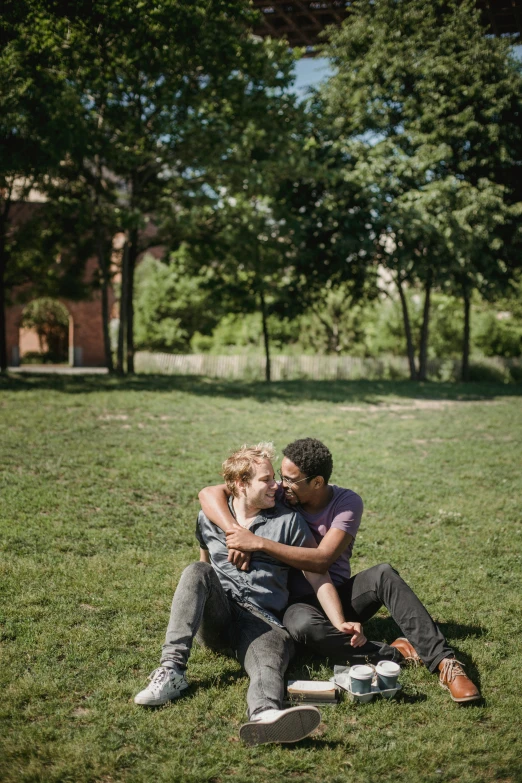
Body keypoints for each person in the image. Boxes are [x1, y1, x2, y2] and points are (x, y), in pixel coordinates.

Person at [198, 437, 481, 704]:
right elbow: (209, 492)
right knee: (303, 625)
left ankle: (445, 662)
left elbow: (322, 561)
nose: (281, 485)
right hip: (294, 604)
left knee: (383, 573)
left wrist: (258, 542)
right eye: (279, 477)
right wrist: (235, 532)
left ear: (317, 482)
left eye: (290, 479)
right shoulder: (279, 495)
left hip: (336, 593)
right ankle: (397, 652)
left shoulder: (346, 503)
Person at [135, 442, 361, 745]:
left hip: (264, 623)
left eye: (274, 478)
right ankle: (171, 669)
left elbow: (318, 575)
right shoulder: (211, 517)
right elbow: (204, 559)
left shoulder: (289, 521)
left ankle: (265, 716)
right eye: (266, 479)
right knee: (196, 572)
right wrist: (201, 597)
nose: (277, 486)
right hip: (220, 616)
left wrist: (338, 621)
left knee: (268, 666)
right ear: (241, 484)